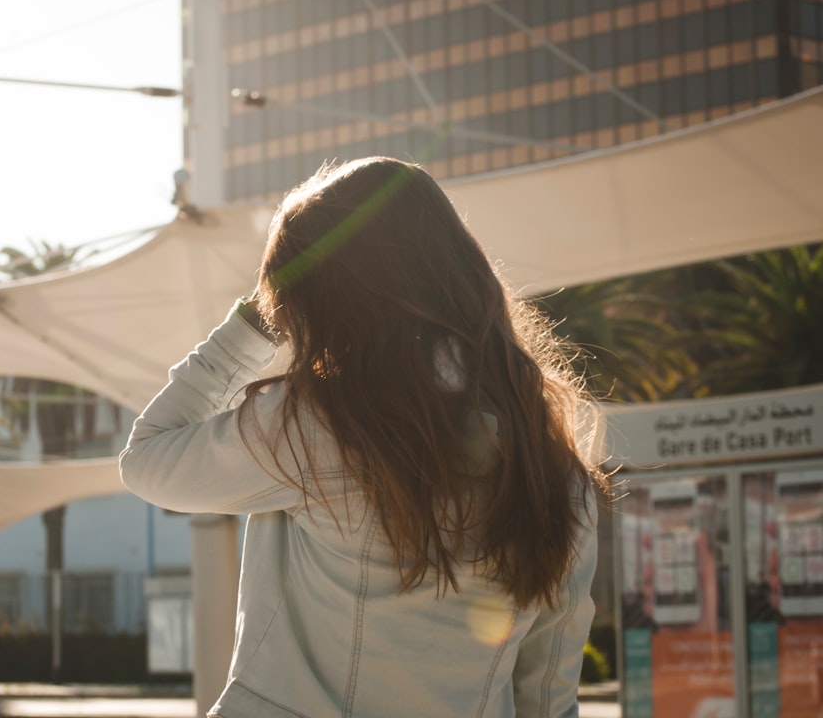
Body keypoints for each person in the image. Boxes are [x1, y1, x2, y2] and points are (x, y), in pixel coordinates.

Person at [120, 157, 611, 717]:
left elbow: (146, 459)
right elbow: (548, 697)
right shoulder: (553, 468)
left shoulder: (322, 423)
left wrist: (255, 323)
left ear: (326, 299)